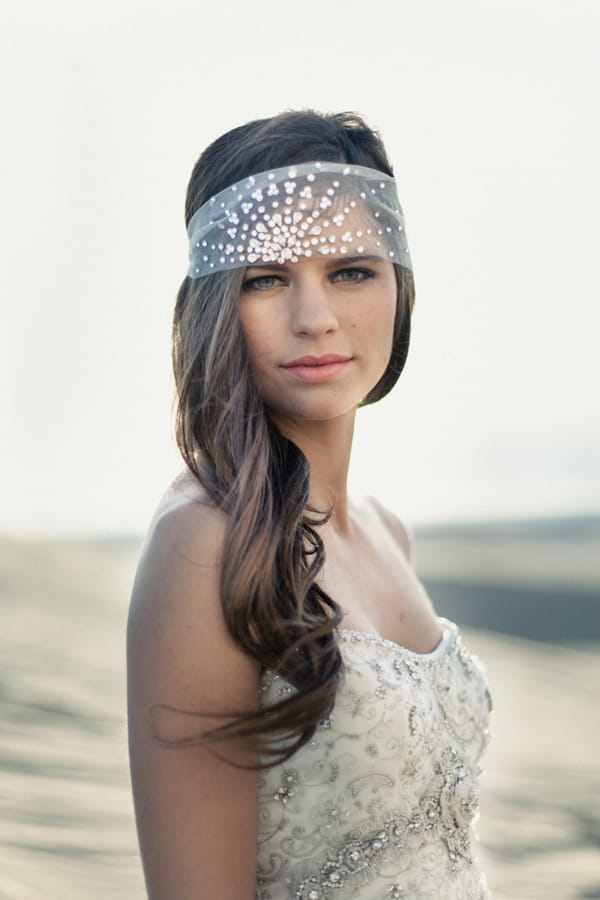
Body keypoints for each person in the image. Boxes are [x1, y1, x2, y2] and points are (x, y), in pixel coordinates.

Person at [127, 110, 492, 900]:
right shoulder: (208, 542)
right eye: (266, 280)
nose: (315, 317)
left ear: (402, 286)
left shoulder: (388, 531)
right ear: (217, 305)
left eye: (352, 271)